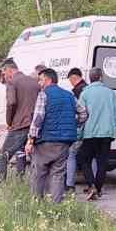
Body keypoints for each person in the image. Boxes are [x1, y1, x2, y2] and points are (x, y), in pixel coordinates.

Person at [25, 68, 79, 203]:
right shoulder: (69, 95)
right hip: (64, 141)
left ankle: (36, 202)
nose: (39, 83)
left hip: (45, 140)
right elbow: (83, 113)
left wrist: (30, 140)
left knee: (39, 173)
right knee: (58, 174)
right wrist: (73, 124)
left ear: (48, 80)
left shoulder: (43, 94)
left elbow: (38, 119)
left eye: (40, 80)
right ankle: (55, 206)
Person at [77, 67, 116, 200]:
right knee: (102, 162)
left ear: (90, 78)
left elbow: (81, 115)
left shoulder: (85, 93)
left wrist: (78, 133)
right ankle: (98, 189)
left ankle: (91, 184)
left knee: (84, 159)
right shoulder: (110, 93)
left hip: (90, 133)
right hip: (107, 133)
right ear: (100, 78)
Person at [0, 59, 42, 183]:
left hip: (19, 125)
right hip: (35, 125)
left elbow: (11, 103)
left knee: (4, 155)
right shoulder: (35, 82)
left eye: (4, 73)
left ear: (9, 70)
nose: (4, 77)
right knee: (35, 157)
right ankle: (37, 184)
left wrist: (9, 121)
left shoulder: (12, 83)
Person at [65, 68, 87, 190]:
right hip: (92, 130)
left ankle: (69, 184)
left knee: (71, 154)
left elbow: (80, 111)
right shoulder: (87, 88)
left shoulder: (78, 91)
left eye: (70, 81)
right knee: (91, 156)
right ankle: (93, 183)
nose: (71, 83)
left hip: (81, 129)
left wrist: (77, 124)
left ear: (74, 78)